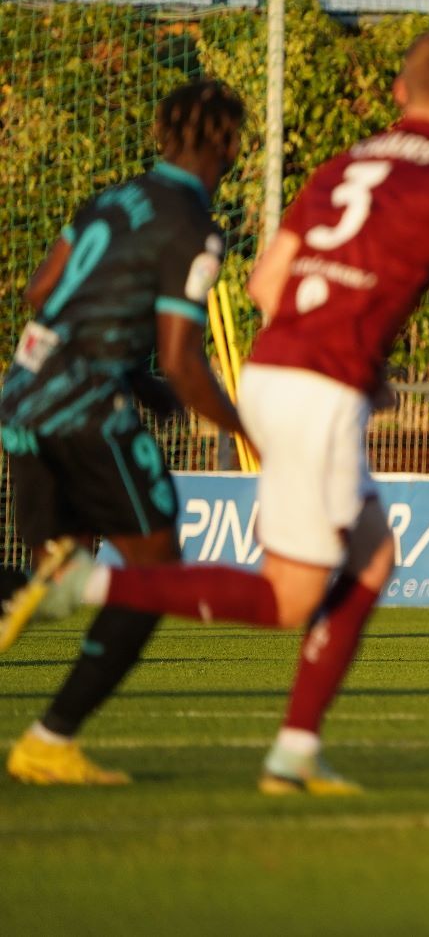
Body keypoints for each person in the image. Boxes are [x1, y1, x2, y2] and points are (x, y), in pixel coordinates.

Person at [0, 31, 429, 792]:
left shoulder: (344, 165)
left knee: (372, 555)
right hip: (311, 387)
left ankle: (294, 752)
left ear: (400, 95)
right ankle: (83, 588)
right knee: (287, 598)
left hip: (267, 367)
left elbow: (268, 284)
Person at [0, 78, 251, 785]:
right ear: (229, 143)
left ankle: (48, 737)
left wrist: (133, 377)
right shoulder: (194, 226)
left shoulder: (110, 200)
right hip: (82, 410)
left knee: (58, 575)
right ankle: (48, 743)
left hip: (22, 398)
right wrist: (244, 425)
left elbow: (41, 292)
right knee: (156, 574)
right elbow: (183, 358)